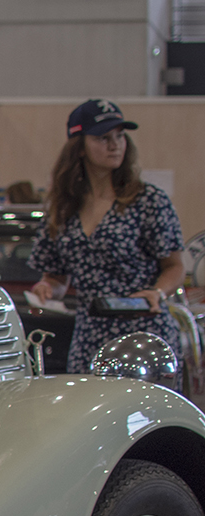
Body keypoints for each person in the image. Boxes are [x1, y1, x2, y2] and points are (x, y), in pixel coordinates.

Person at [29, 99, 184, 373]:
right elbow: (57, 277)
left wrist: (158, 292)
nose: (115, 145)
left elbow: (174, 266)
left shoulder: (148, 200)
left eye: (120, 136)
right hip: (90, 334)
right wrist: (47, 288)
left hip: (142, 336)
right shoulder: (63, 207)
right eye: (103, 137)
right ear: (79, 146)